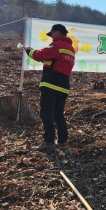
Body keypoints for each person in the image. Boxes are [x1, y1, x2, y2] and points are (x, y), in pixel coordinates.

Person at [24, 24, 75, 152]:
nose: (51, 37)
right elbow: (56, 61)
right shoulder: (70, 48)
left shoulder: (57, 45)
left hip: (51, 84)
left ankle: (49, 142)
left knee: (46, 113)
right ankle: (62, 142)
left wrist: (28, 50)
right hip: (64, 86)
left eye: (51, 34)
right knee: (58, 115)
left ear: (57, 32)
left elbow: (39, 55)